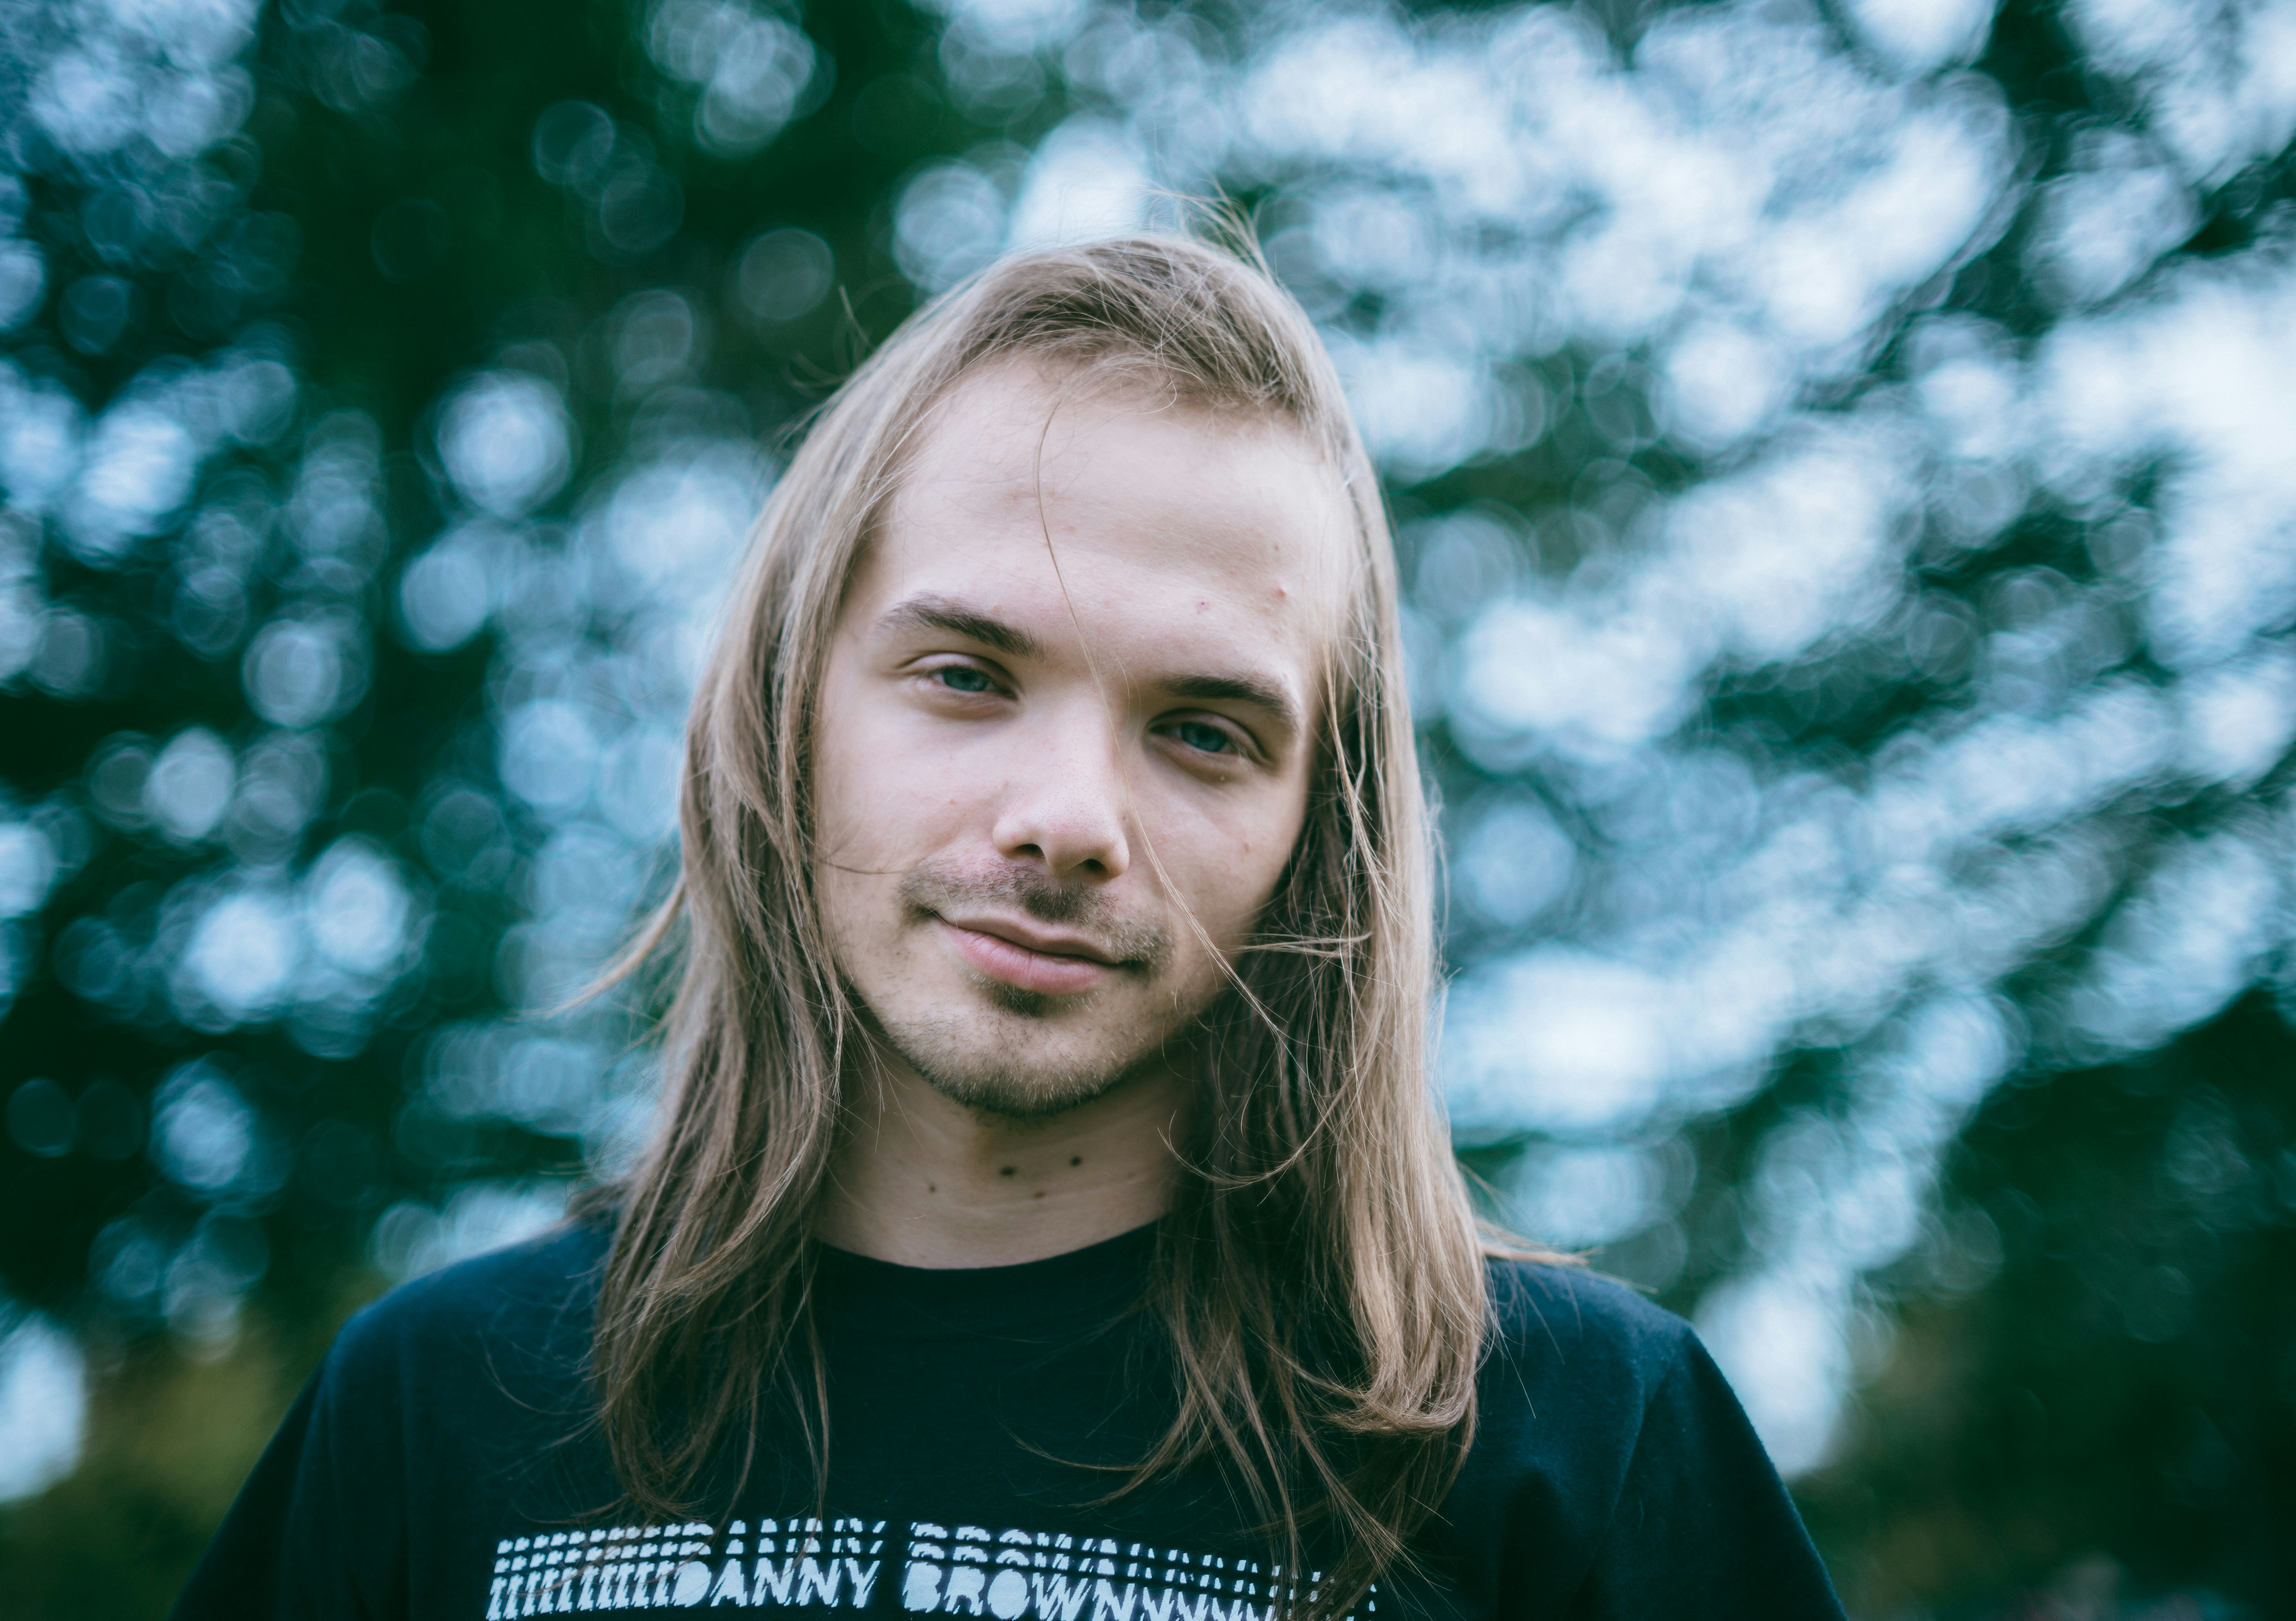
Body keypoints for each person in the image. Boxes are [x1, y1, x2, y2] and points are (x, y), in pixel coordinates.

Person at [176, 237, 1846, 1621]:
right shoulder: (432, 1413)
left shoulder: (1584, 1443)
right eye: (968, 675)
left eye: (1203, 729)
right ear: (787, 707)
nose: (1068, 820)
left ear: (1316, 828)